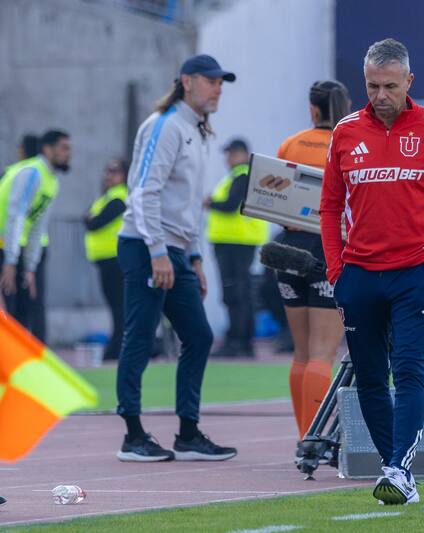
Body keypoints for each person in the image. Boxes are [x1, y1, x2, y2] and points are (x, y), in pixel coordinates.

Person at [320, 38, 424, 504]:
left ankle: (397, 468)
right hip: (359, 276)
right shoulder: (345, 132)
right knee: (368, 375)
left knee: (408, 369)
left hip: (415, 275)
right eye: (371, 86)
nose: (380, 95)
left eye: (389, 85)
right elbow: (328, 207)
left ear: (409, 82)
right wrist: (336, 269)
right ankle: (396, 470)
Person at [115, 54, 237, 462]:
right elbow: (144, 193)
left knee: (199, 336)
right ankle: (132, 435)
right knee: (141, 336)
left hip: (176, 250)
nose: (218, 88)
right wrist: (157, 253)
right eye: (211, 80)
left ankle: (188, 433)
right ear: (187, 81)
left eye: (222, 82)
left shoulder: (200, 132)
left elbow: (189, 205)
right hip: (146, 245)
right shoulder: (164, 126)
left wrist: (195, 256)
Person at [273, 80, 351, 438]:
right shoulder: (348, 143)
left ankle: (305, 435)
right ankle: (314, 439)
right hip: (326, 247)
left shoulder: (291, 143)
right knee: (323, 352)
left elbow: (273, 195)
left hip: (288, 247)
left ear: (312, 110)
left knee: (302, 352)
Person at [0, 130, 71, 341]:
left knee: (25, 309)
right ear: (47, 149)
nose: (69, 153)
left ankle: (19, 368)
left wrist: (30, 266)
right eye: (64, 148)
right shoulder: (32, 173)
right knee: (9, 309)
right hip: (4, 245)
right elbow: (15, 216)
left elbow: (38, 226)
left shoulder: (52, 180)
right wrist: (10, 262)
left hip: (16, 247)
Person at [205, 138, 267, 358]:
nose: (228, 158)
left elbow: (230, 206)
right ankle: (242, 341)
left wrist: (209, 203)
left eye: (232, 153)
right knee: (238, 292)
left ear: (242, 154)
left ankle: (237, 341)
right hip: (236, 242)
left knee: (235, 293)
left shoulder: (242, 175)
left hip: (236, 242)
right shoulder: (239, 176)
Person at [83, 159, 129, 361]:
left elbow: (94, 222)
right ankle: (118, 345)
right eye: (107, 171)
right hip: (106, 260)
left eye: (115, 171)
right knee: (116, 305)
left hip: (115, 259)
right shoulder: (108, 197)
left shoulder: (120, 197)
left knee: (119, 306)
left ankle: (117, 347)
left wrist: (90, 218)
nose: (109, 175)